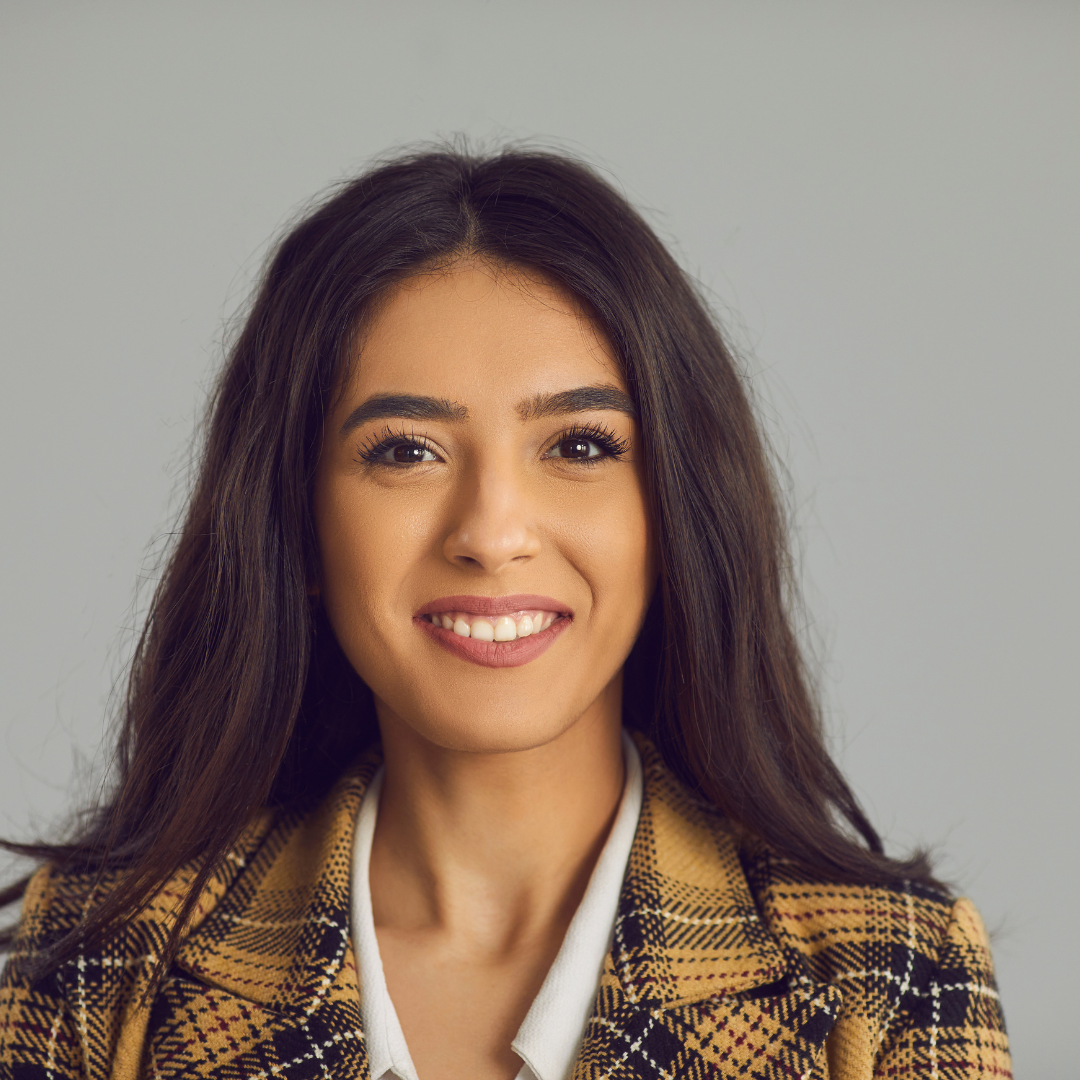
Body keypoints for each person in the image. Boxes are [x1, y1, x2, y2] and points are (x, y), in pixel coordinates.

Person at [0, 147, 1010, 1080]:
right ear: (299, 530)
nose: (491, 532)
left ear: (675, 515)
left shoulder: (892, 974)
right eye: (404, 449)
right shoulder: (96, 959)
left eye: (578, 446)